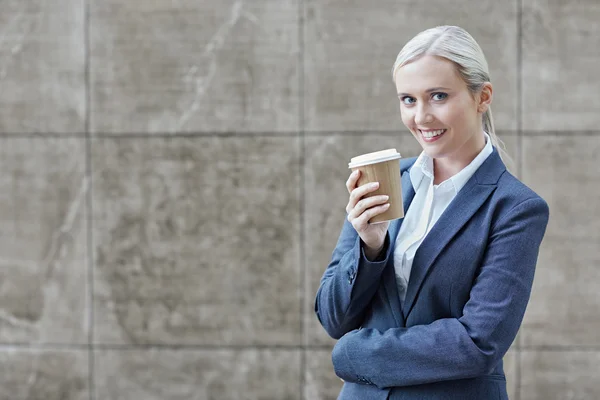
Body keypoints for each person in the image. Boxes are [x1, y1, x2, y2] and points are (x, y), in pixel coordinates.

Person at [314, 25, 549, 399]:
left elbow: (477, 343)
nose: (421, 117)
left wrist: (354, 353)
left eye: (438, 96)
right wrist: (370, 248)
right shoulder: (388, 182)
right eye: (408, 99)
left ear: (482, 96)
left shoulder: (515, 208)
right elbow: (333, 317)